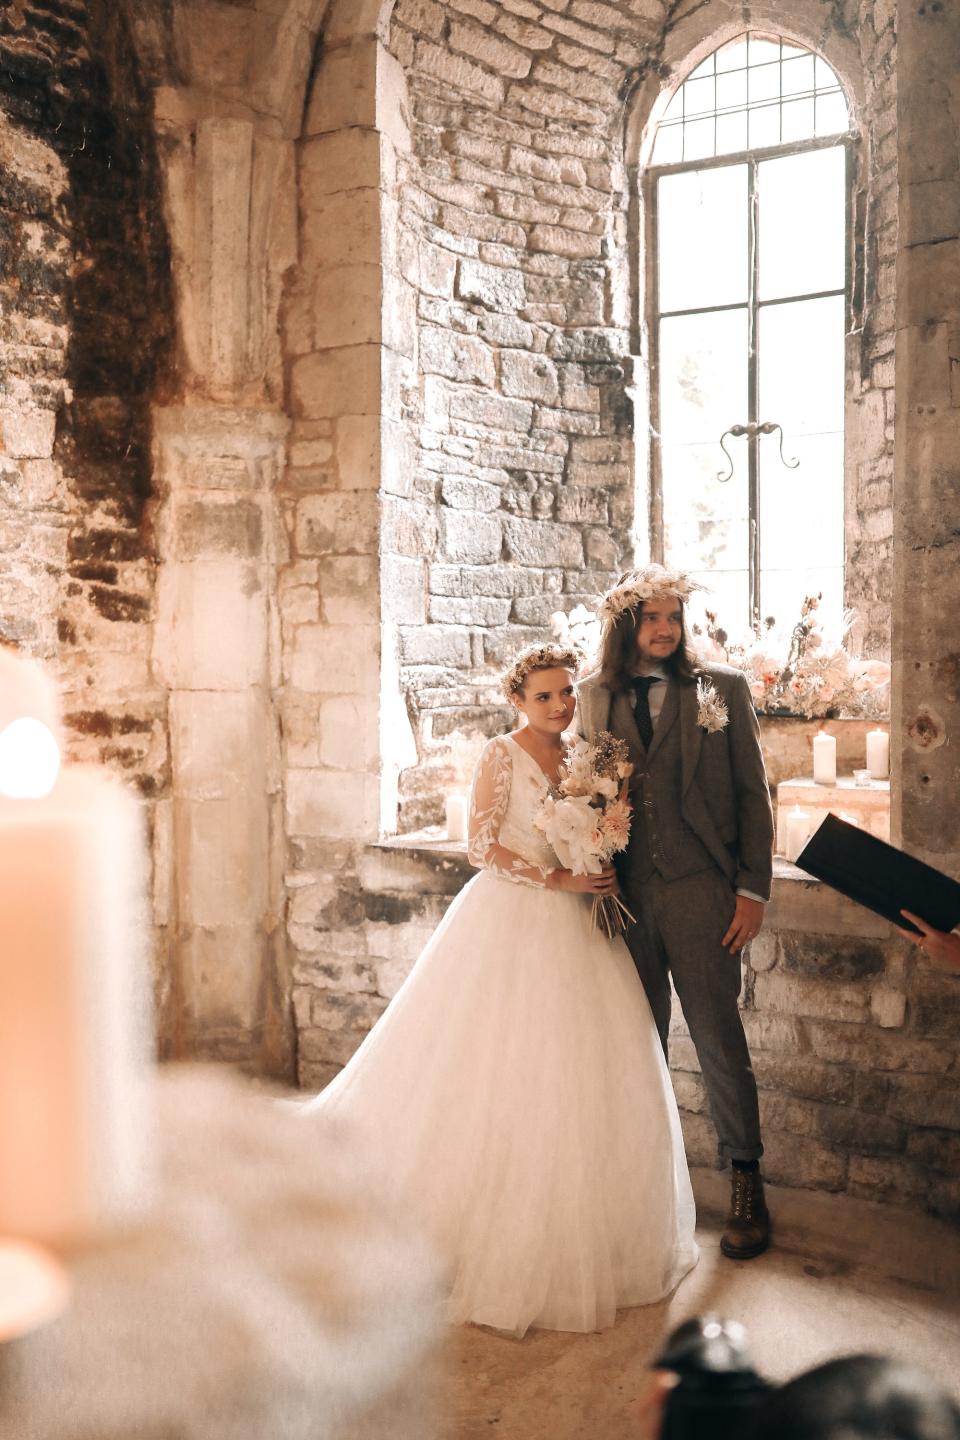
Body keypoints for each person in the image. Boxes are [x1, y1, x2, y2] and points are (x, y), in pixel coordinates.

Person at [304, 644, 698, 1337]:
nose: (560, 706)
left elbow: (610, 826)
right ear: (518, 702)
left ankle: (590, 1231)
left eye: (567, 693)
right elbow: (482, 850)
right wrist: (561, 877)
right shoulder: (500, 755)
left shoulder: (590, 759)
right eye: (544, 697)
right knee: (505, 1066)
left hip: (583, 923)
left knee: (585, 1073)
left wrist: (599, 849)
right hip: (517, 914)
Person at [577, 565, 775, 1260]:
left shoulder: (720, 689)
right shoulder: (592, 697)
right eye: (650, 619)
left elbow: (755, 795)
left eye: (672, 619)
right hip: (625, 901)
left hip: (702, 893)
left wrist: (753, 890)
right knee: (638, 1046)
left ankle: (746, 1184)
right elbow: (580, 795)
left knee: (720, 1042)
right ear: (625, 626)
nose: (664, 631)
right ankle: (649, 1193)